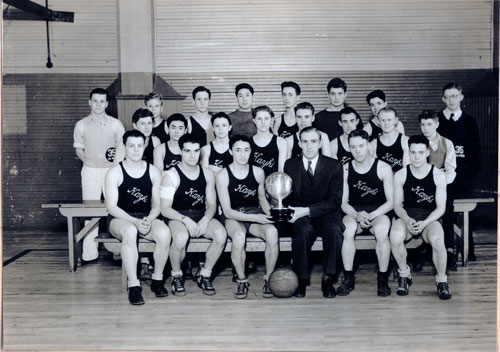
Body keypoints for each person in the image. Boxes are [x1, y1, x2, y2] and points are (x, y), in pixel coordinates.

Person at [105, 130, 171, 305]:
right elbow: (111, 206)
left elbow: (157, 204)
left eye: (140, 146)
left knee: (164, 233)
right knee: (130, 231)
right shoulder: (114, 172)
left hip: (144, 217)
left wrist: (149, 218)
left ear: (145, 146)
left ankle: (157, 280)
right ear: (124, 147)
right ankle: (134, 285)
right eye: (131, 146)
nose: (136, 150)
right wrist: (134, 221)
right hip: (120, 219)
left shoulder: (154, 171)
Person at [160, 134, 227, 296]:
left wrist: (205, 219)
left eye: (196, 151)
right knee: (181, 237)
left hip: (200, 214)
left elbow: (212, 205)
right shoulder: (170, 176)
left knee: (221, 234)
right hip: (177, 216)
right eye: (187, 151)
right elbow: (165, 209)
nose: (192, 155)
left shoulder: (208, 174)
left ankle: (204, 274)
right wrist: (186, 220)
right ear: (180, 151)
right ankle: (176, 275)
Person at [283, 126, 344, 298]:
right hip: (299, 212)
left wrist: (307, 211)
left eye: (313, 141)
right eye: (305, 142)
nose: (309, 146)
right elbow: (288, 198)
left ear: (320, 143)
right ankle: (301, 280)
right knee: (303, 231)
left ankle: (328, 278)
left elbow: (335, 201)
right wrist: (299, 212)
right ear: (299, 143)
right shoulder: (290, 165)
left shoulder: (334, 165)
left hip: (326, 212)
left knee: (334, 231)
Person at [216, 135, 279, 299]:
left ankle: (269, 279)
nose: (242, 154)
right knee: (238, 236)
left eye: (246, 150)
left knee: (272, 232)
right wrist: (256, 219)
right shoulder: (223, 175)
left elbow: (262, 200)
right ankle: (242, 280)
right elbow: (227, 211)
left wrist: (271, 214)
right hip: (233, 216)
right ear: (231, 151)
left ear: (251, 151)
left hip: (253, 212)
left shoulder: (258, 172)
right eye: (238, 150)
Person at [390, 135, 452, 300]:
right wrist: (408, 219)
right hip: (408, 216)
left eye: (420, 152)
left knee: (438, 240)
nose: (416, 157)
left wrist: (424, 223)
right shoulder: (401, 175)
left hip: (429, 218)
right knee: (395, 236)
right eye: (413, 152)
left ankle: (441, 281)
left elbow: (441, 208)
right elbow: (397, 205)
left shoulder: (438, 175)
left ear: (427, 153)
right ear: (408, 153)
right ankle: (404, 274)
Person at [338, 129, 394, 297]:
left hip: (378, 211)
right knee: (347, 229)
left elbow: (391, 202)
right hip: (355, 212)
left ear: (369, 146)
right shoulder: (345, 169)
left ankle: (382, 279)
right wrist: (357, 215)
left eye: (361, 146)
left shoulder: (383, 167)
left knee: (382, 230)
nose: (358, 150)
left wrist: (372, 215)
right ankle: (348, 278)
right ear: (348, 148)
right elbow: (343, 202)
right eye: (353, 147)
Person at [73, 88, 125, 261]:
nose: (98, 104)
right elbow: (79, 148)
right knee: (91, 211)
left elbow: (121, 147)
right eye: (95, 101)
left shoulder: (115, 124)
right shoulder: (81, 125)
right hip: (90, 171)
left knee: (116, 207)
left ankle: (118, 250)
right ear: (89, 102)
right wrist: (89, 162)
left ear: (107, 104)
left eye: (101, 101)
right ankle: (89, 254)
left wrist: (115, 168)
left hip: (111, 171)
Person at [437, 82, 481, 260]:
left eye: (454, 96)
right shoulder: (437, 119)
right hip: (442, 175)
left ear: (461, 97)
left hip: (462, 176)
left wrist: (466, 173)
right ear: (443, 99)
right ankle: (446, 250)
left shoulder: (469, 121)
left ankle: (468, 250)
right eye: (447, 97)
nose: (450, 100)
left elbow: (476, 152)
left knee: (465, 214)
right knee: (444, 210)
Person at [419, 109, 457, 270]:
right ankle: (419, 251)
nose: (426, 128)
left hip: (441, 185)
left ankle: (448, 250)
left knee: (447, 210)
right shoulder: (417, 143)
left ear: (437, 124)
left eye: (429, 124)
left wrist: (440, 182)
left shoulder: (447, 143)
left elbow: (451, 169)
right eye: (422, 125)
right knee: (419, 209)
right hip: (421, 185)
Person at [131, 108, 162, 281]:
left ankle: (156, 263)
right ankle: (143, 262)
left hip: (151, 186)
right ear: (135, 125)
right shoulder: (127, 142)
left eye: (149, 123)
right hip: (132, 188)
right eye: (142, 123)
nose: (146, 127)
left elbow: (158, 168)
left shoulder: (156, 140)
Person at [250, 105, 288, 176]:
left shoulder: (280, 142)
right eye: (259, 119)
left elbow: (281, 172)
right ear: (254, 121)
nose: (263, 122)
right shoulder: (248, 142)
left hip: (273, 184)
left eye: (266, 118)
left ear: (272, 120)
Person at [370, 106, 409, 172]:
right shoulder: (373, 144)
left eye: (389, 120)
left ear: (396, 120)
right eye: (383, 120)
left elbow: (406, 172)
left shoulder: (405, 141)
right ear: (378, 122)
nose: (386, 123)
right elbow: (375, 172)